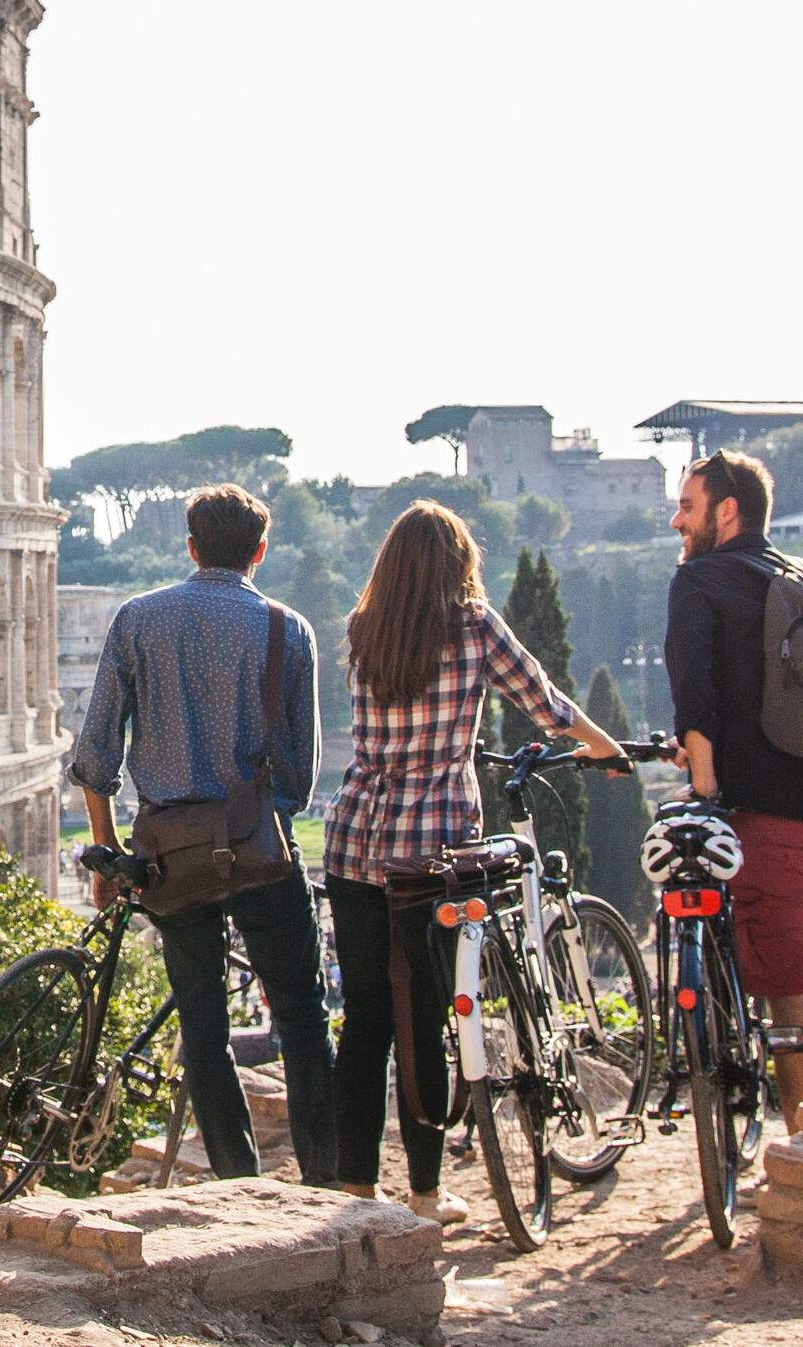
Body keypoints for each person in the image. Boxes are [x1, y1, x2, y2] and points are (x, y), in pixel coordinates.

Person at [318, 499, 626, 1218]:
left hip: (356, 840)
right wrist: (606, 748)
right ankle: (424, 1195)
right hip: (432, 853)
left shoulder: (363, 629)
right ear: (458, 564)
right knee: (423, 1020)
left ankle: (356, 1187)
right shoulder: (474, 625)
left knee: (364, 1022)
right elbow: (546, 705)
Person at [67, 483, 337, 1184]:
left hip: (169, 855)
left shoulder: (137, 619)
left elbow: (96, 756)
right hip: (260, 851)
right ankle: (325, 1181)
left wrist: (108, 855)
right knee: (304, 1019)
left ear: (189, 547)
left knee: (203, 1028)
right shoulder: (290, 630)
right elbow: (299, 777)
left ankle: (236, 1183)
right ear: (261, 552)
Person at [663, 449, 803, 1130]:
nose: (677, 521)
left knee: (789, 996)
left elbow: (694, 696)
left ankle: (802, 1161)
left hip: (771, 816)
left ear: (727, 511)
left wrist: (703, 791)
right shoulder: (797, 574)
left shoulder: (700, 581)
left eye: (688, 506)